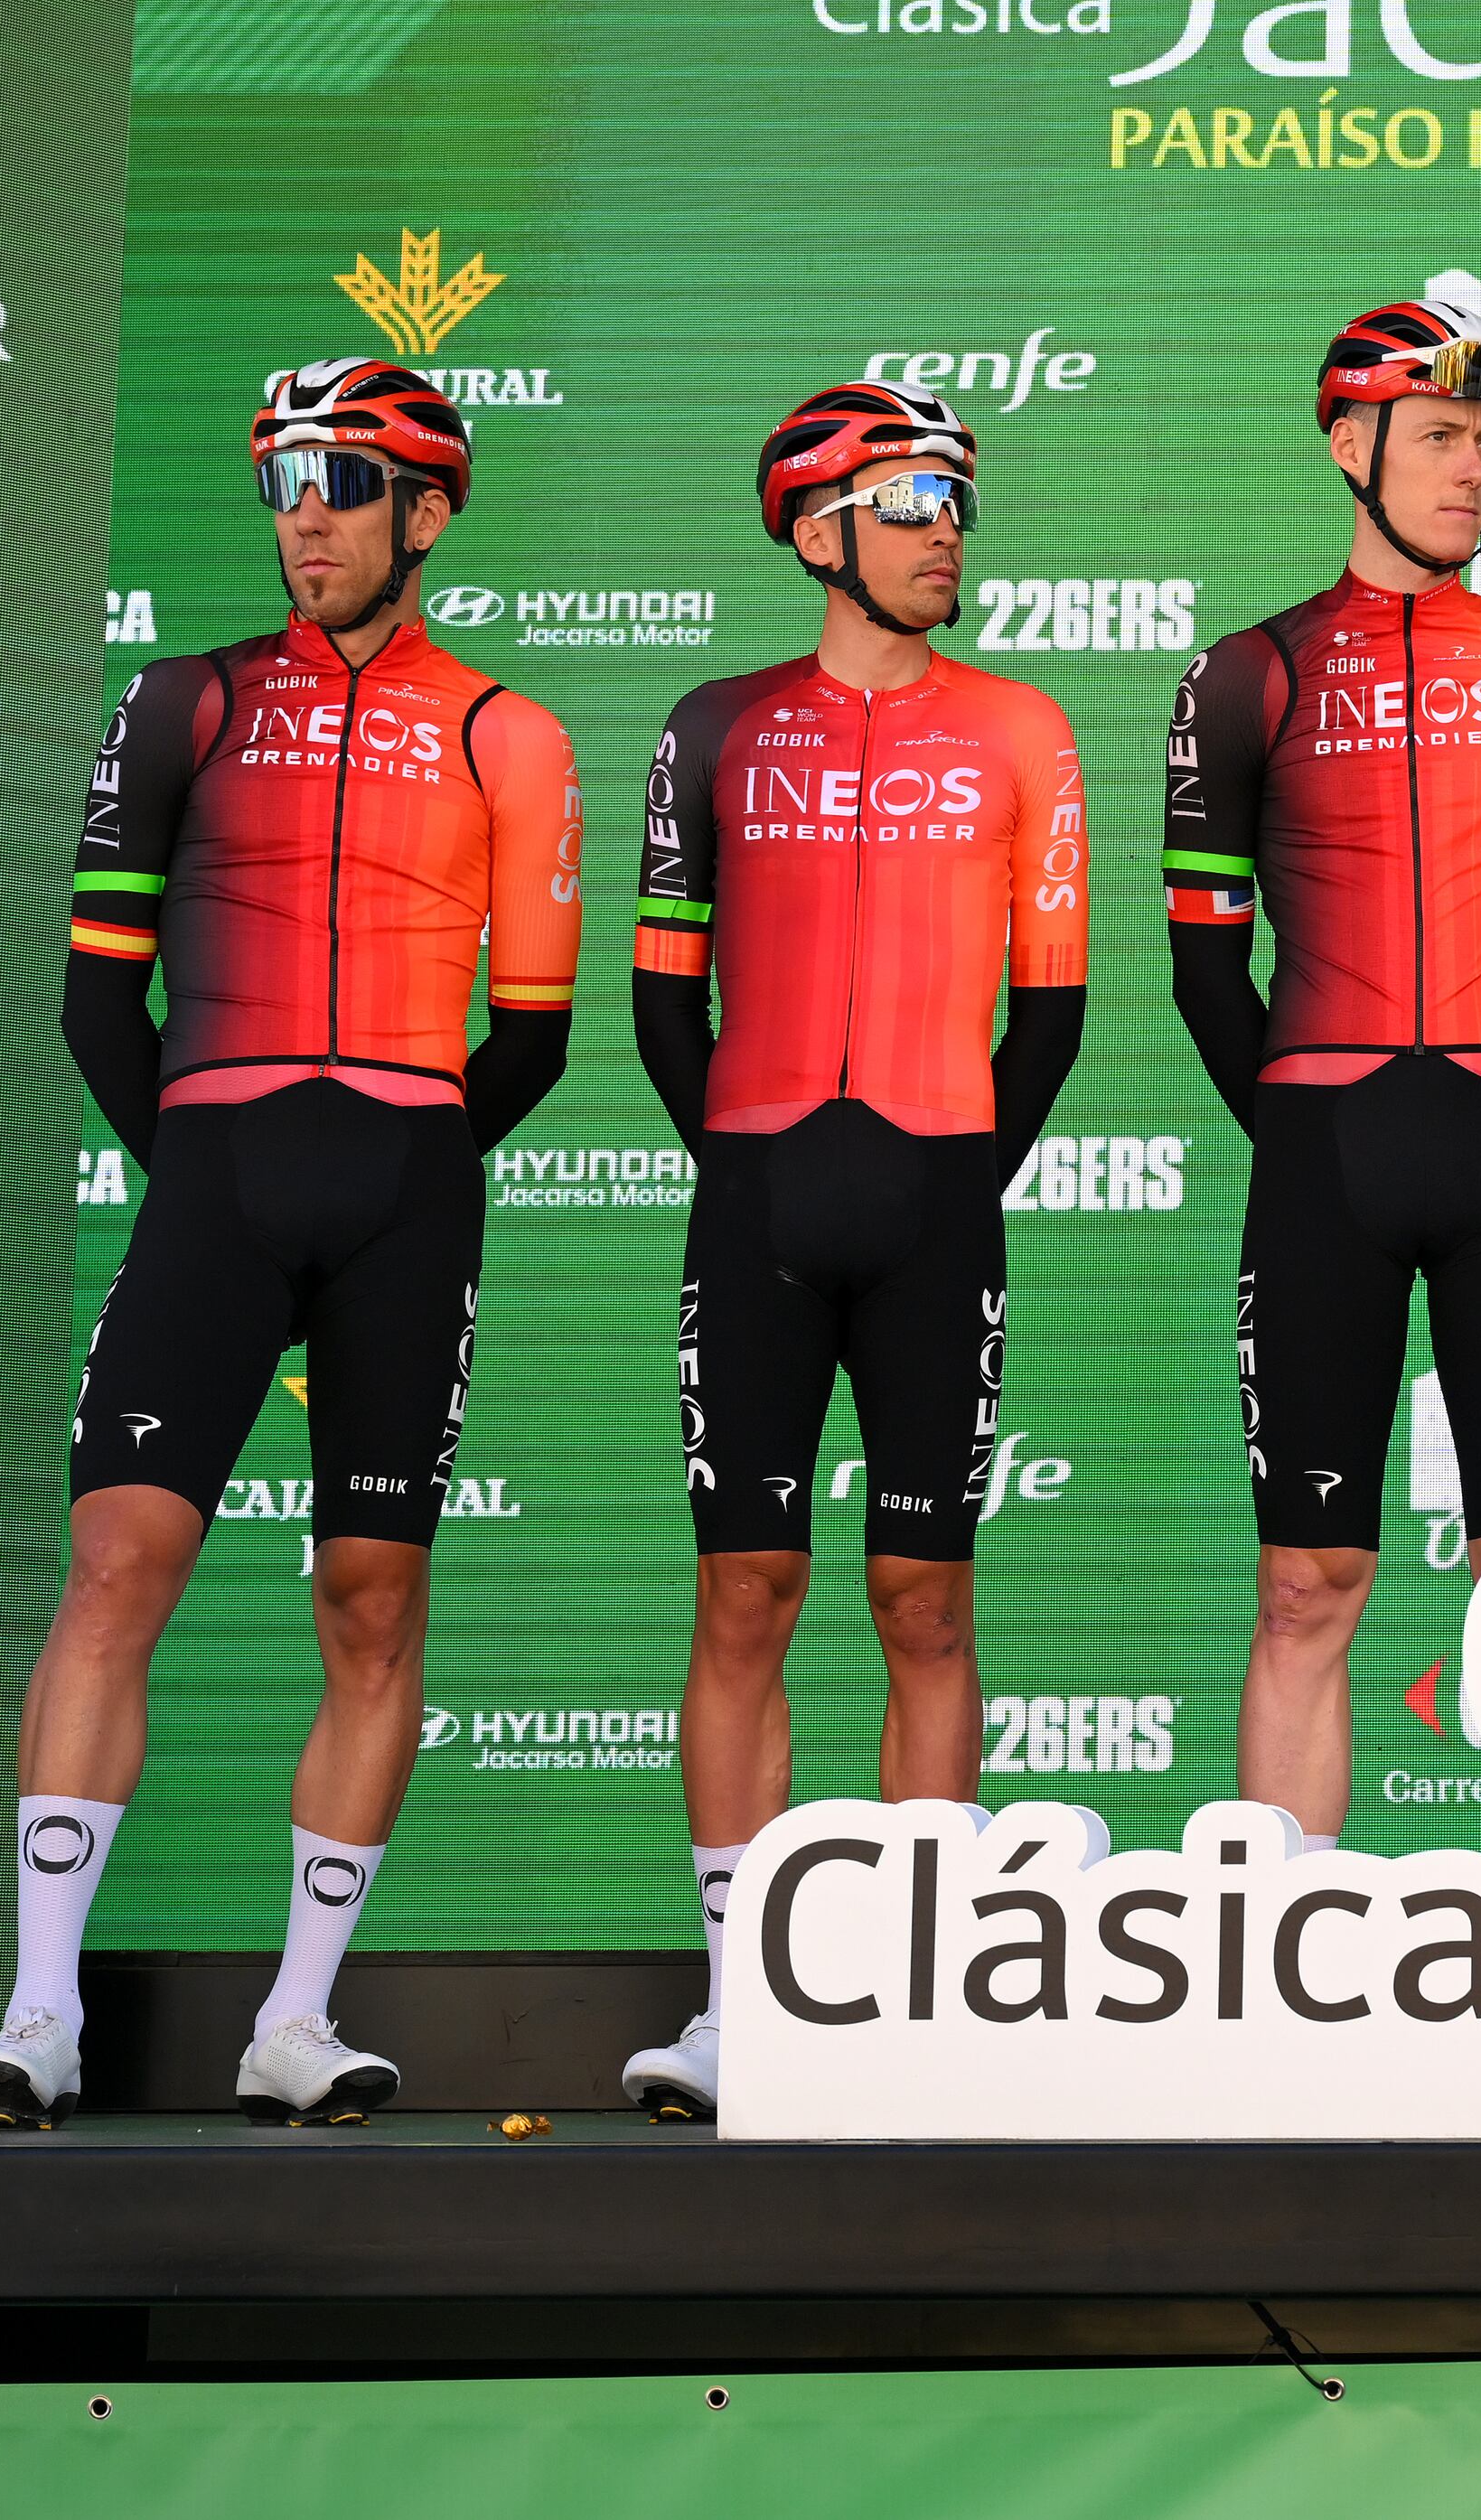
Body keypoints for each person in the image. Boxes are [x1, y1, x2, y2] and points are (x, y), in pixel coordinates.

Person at [0, 360, 578, 2129]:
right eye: (286, 477)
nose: (306, 509)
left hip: (406, 1173)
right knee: (115, 1567)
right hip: (215, 1159)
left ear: (429, 509)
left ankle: (296, 2018)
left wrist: (403, 1160)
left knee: (373, 1599)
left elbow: (524, 1032)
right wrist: (205, 1162)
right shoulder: (183, 700)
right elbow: (96, 990)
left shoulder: (508, 731)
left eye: (346, 479)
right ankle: (37, 2008)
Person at [615, 379, 1089, 2122]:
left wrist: (953, 1173)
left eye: (956, 498)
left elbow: (1050, 1009)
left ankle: (915, 1993)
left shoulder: (1025, 729)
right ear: (815, 530)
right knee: (746, 1590)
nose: (943, 528)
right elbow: (667, 996)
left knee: (926, 1598)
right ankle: (744, 2006)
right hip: (755, 1193)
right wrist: (746, 1156)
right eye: (906, 500)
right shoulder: (713, 722)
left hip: (936, 1199)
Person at [1167, 301, 1481, 1920]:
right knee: (1309, 1578)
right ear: (1347, 443)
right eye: (1440, 434)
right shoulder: (1248, 673)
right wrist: (1303, 1117)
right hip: (1323, 1147)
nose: (1472, 466)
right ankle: (1288, 1950)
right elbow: (1205, 966)